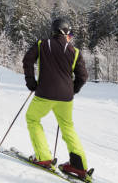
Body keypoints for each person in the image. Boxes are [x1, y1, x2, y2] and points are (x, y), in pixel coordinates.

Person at [22, 18, 90, 181]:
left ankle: (43, 156)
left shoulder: (42, 44)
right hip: (66, 98)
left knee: (32, 118)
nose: (70, 37)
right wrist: (73, 89)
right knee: (67, 127)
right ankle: (78, 165)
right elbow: (83, 76)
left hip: (44, 94)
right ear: (64, 32)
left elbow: (27, 60)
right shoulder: (75, 52)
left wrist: (31, 81)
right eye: (70, 34)